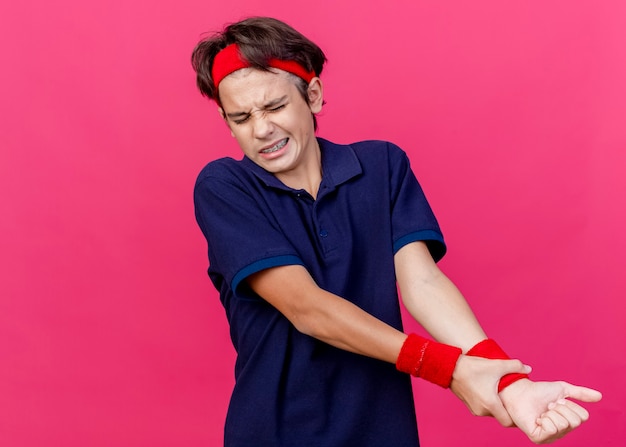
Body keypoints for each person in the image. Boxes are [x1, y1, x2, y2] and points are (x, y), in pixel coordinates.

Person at [191, 16, 602, 446]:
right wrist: (448, 369)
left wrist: (507, 382)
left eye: (274, 107)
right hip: (275, 433)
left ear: (312, 94)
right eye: (240, 118)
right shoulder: (224, 187)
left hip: (383, 430)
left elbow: (422, 282)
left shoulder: (382, 166)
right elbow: (306, 308)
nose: (261, 129)